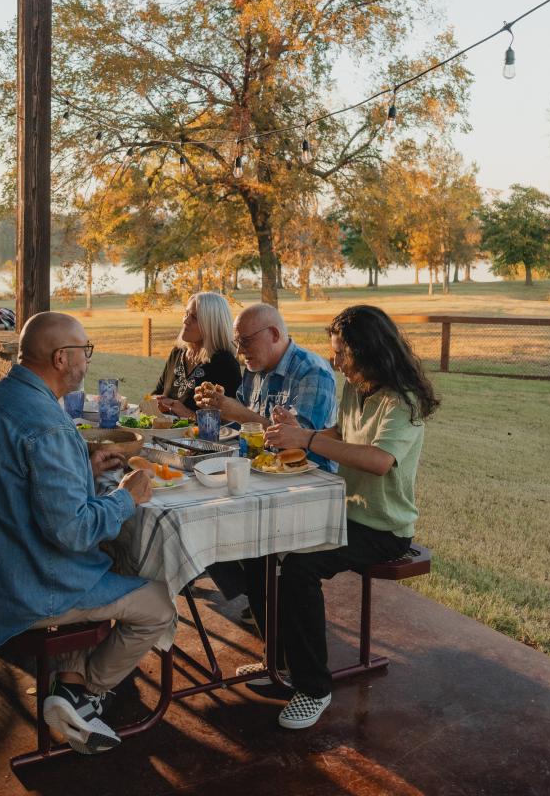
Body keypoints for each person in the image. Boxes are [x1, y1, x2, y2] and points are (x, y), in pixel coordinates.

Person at [0, 312, 172, 756]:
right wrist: (127, 496)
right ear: (61, 357)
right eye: (85, 351)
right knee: (159, 604)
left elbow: (15, 488)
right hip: (19, 590)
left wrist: (81, 469)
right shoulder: (47, 424)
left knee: (108, 559)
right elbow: (73, 530)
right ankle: (82, 695)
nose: (88, 360)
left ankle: (68, 685)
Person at [251, 304, 440, 731]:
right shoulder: (357, 388)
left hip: (383, 529)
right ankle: (281, 661)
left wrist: (308, 438)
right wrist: (300, 428)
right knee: (265, 541)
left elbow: (376, 459)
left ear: (368, 351)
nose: (334, 361)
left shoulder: (402, 401)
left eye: (341, 354)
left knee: (300, 567)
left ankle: (313, 688)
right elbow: (344, 436)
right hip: (344, 514)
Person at [193, 302, 338, 470]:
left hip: (309, 477)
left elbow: (298, 443)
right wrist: (216, 406)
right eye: (237, 342)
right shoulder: (255, 367)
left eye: (245, 341)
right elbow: (237, 426)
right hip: (262, 467)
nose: (239, 350)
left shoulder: (313, 371)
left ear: (274, 335)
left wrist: (238, 413)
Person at [151, 292, 242, 419]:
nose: (185, 320)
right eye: (186, 314)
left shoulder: (225, 363)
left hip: (203, 439)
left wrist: (189, 415)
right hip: (164, 436)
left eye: (194, 317)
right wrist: (156, 401)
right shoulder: (177, 352)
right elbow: (158, 392)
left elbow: (234, 421)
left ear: (211, 324)